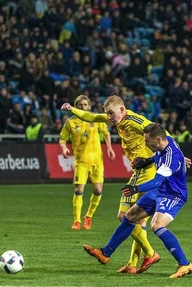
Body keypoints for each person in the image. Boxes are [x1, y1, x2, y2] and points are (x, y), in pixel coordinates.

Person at [61, 95, 160, 274]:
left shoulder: (135, 121)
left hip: (148, 171)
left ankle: (149, 253)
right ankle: (132, 263)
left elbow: (160, 132)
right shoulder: (116, 120)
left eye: (112, 114)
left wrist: (176, 154)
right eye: (108, 114)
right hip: (139, 172)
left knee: (125, 216)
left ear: (122, 110)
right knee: (136, 219)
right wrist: (71, 110)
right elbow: (90, 117)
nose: (109, 118)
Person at [83, 123, 192, 278]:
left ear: (157, 139)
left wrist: (136, 189)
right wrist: (147, 161)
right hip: (160, 190)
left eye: (147, 141)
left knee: (157, 225)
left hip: (173, 194)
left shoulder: (171, 157)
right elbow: (159, 156)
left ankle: (185, 264)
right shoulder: (165, 140)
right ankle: (105, 253)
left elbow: (156, 181)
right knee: (130, 216)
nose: (145, 144)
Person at [60, 95, 115, 230]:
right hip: (81, 161)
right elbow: (63, 138)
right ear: (76, 107)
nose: (83, 107)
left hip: (97, 160)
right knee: (79, 190)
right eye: (80, 105)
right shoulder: (70, 122)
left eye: (85, 105)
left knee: (98, 190)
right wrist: (64, 148)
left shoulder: (95, 119)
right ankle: (77, 221)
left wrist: (109, 147)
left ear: (89, 106)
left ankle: (88, 216)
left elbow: (106, 133)